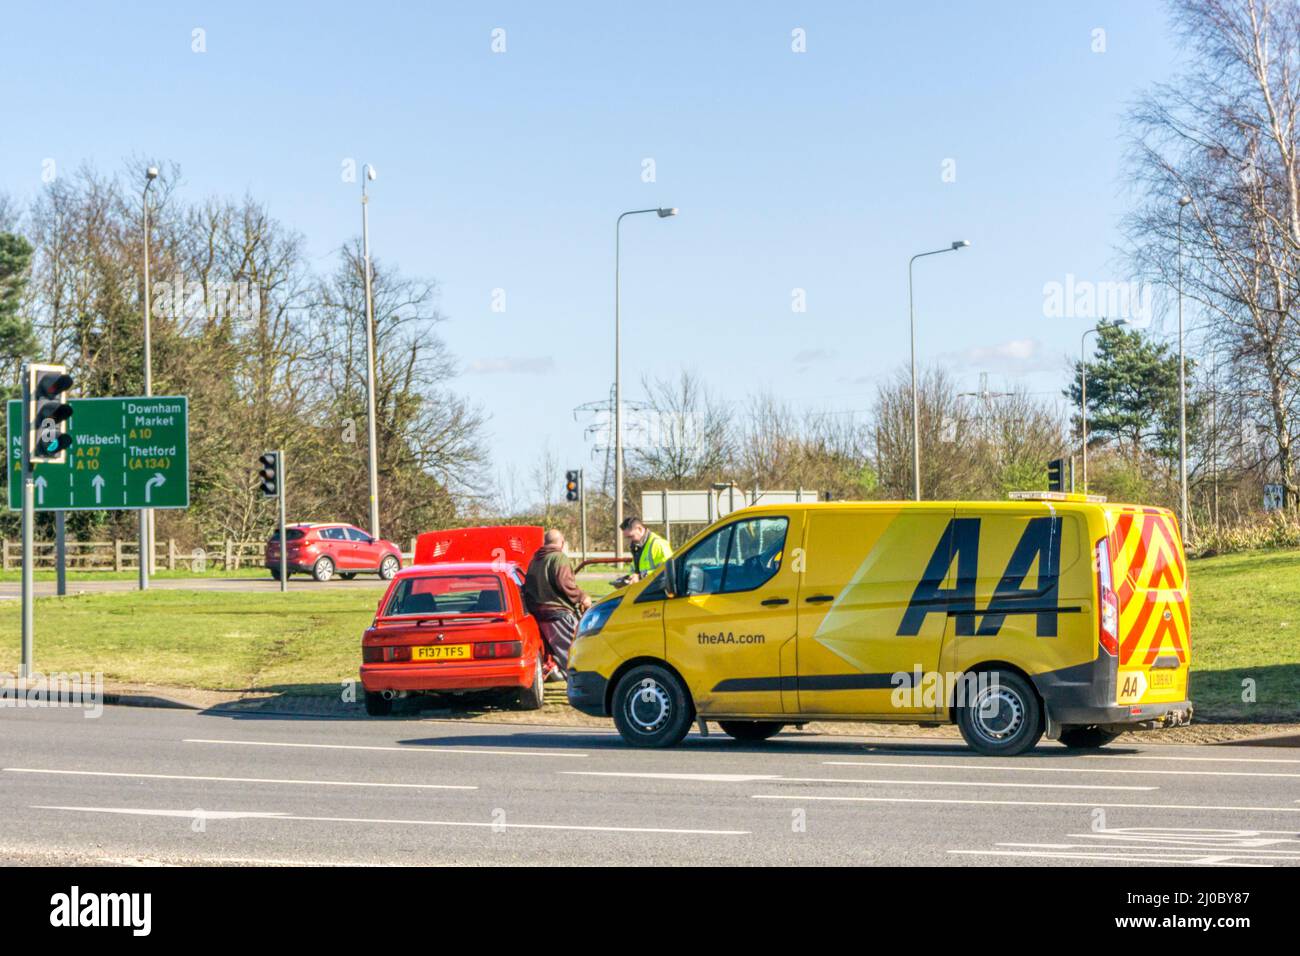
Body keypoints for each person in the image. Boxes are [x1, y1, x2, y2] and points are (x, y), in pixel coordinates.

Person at [522, 529, 591, 679]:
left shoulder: (535, 561)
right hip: (559, 614)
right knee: (575, 654)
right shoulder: (559, 558)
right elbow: (565, 584)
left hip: (540, 616)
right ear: (562, 543)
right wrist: (582, 597)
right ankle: (581, 688)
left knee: (561, 657)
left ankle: (573, 684)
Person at [614, 516, 673, 587]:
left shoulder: (659, 544)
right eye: (627, 538)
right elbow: (635, 571)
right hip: (645, 590)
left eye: (631, 536)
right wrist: (626, 580)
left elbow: (669, 570)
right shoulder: (638, 547)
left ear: (639, 529)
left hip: (659, 590)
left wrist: (640, 577)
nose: (630, 540)